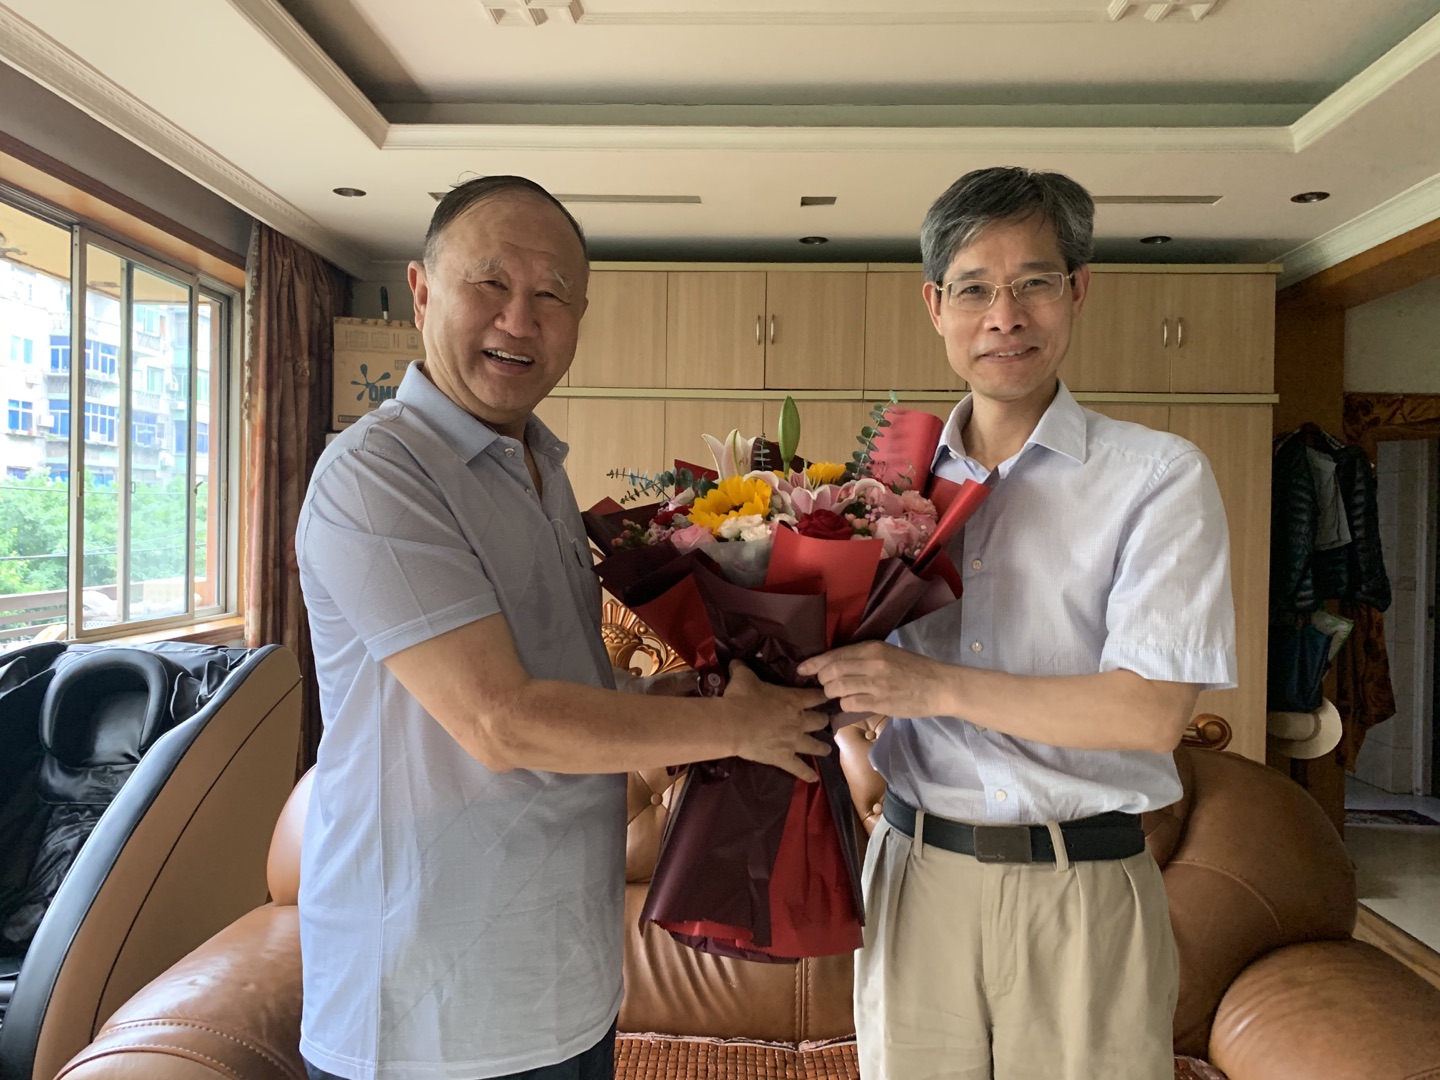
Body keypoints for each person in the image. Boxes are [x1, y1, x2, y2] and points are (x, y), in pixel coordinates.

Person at [294, 175, 828, 1080]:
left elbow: (563, 683)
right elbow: (501, 721)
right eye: (490, 283)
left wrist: (687, 693)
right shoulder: (378, 474)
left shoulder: (537, 468)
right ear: (422, 291)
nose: (520, 319)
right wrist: (735, 726)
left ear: (579, 316)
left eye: (552, 294)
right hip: (429, 1012)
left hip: (566, 985)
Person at [797, 166, 1236, 1080]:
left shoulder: (1157, 477)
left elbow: (1150, 712)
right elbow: (844, 658)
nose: (1004, 316)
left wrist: (931, 687)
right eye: (973, 289)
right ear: (935, 305)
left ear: (1078, 290)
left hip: (1082, 890)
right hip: (917, 879)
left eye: (1034, 282)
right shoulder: (885, 485)